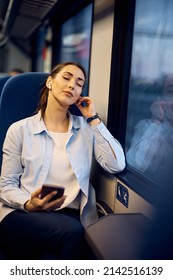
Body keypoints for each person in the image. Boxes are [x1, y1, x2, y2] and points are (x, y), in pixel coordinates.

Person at [0, 62, 125, 260]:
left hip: (69, 216)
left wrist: (93, 118)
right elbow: (5, 185)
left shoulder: (86, 129)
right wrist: (28, 203)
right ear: (50, 82)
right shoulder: (19, 130)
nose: (72, 85)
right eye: (66, 78)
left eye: (79, 83)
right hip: (23, 214)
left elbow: (116, 164)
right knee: (74, 234)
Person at [126, 74, 173, 179]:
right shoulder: (148, 126)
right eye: (171, 92)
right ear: (160, 99)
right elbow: (137, 164)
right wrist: (157, 122)